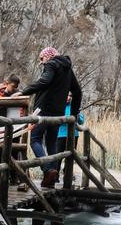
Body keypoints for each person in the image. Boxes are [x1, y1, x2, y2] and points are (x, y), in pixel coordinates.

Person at [17, 46, 82, 188]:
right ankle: (52, 177)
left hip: (43, 109)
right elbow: (78, 91)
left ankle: (48, 170)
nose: (42, 63)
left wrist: (24, 92)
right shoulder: (67, 69)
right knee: (51, 142)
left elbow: (45, 81)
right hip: (58, 112)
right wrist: (73, 114)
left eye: (42, 59)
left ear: (48, 56)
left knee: (35, 139)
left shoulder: (51, 64)